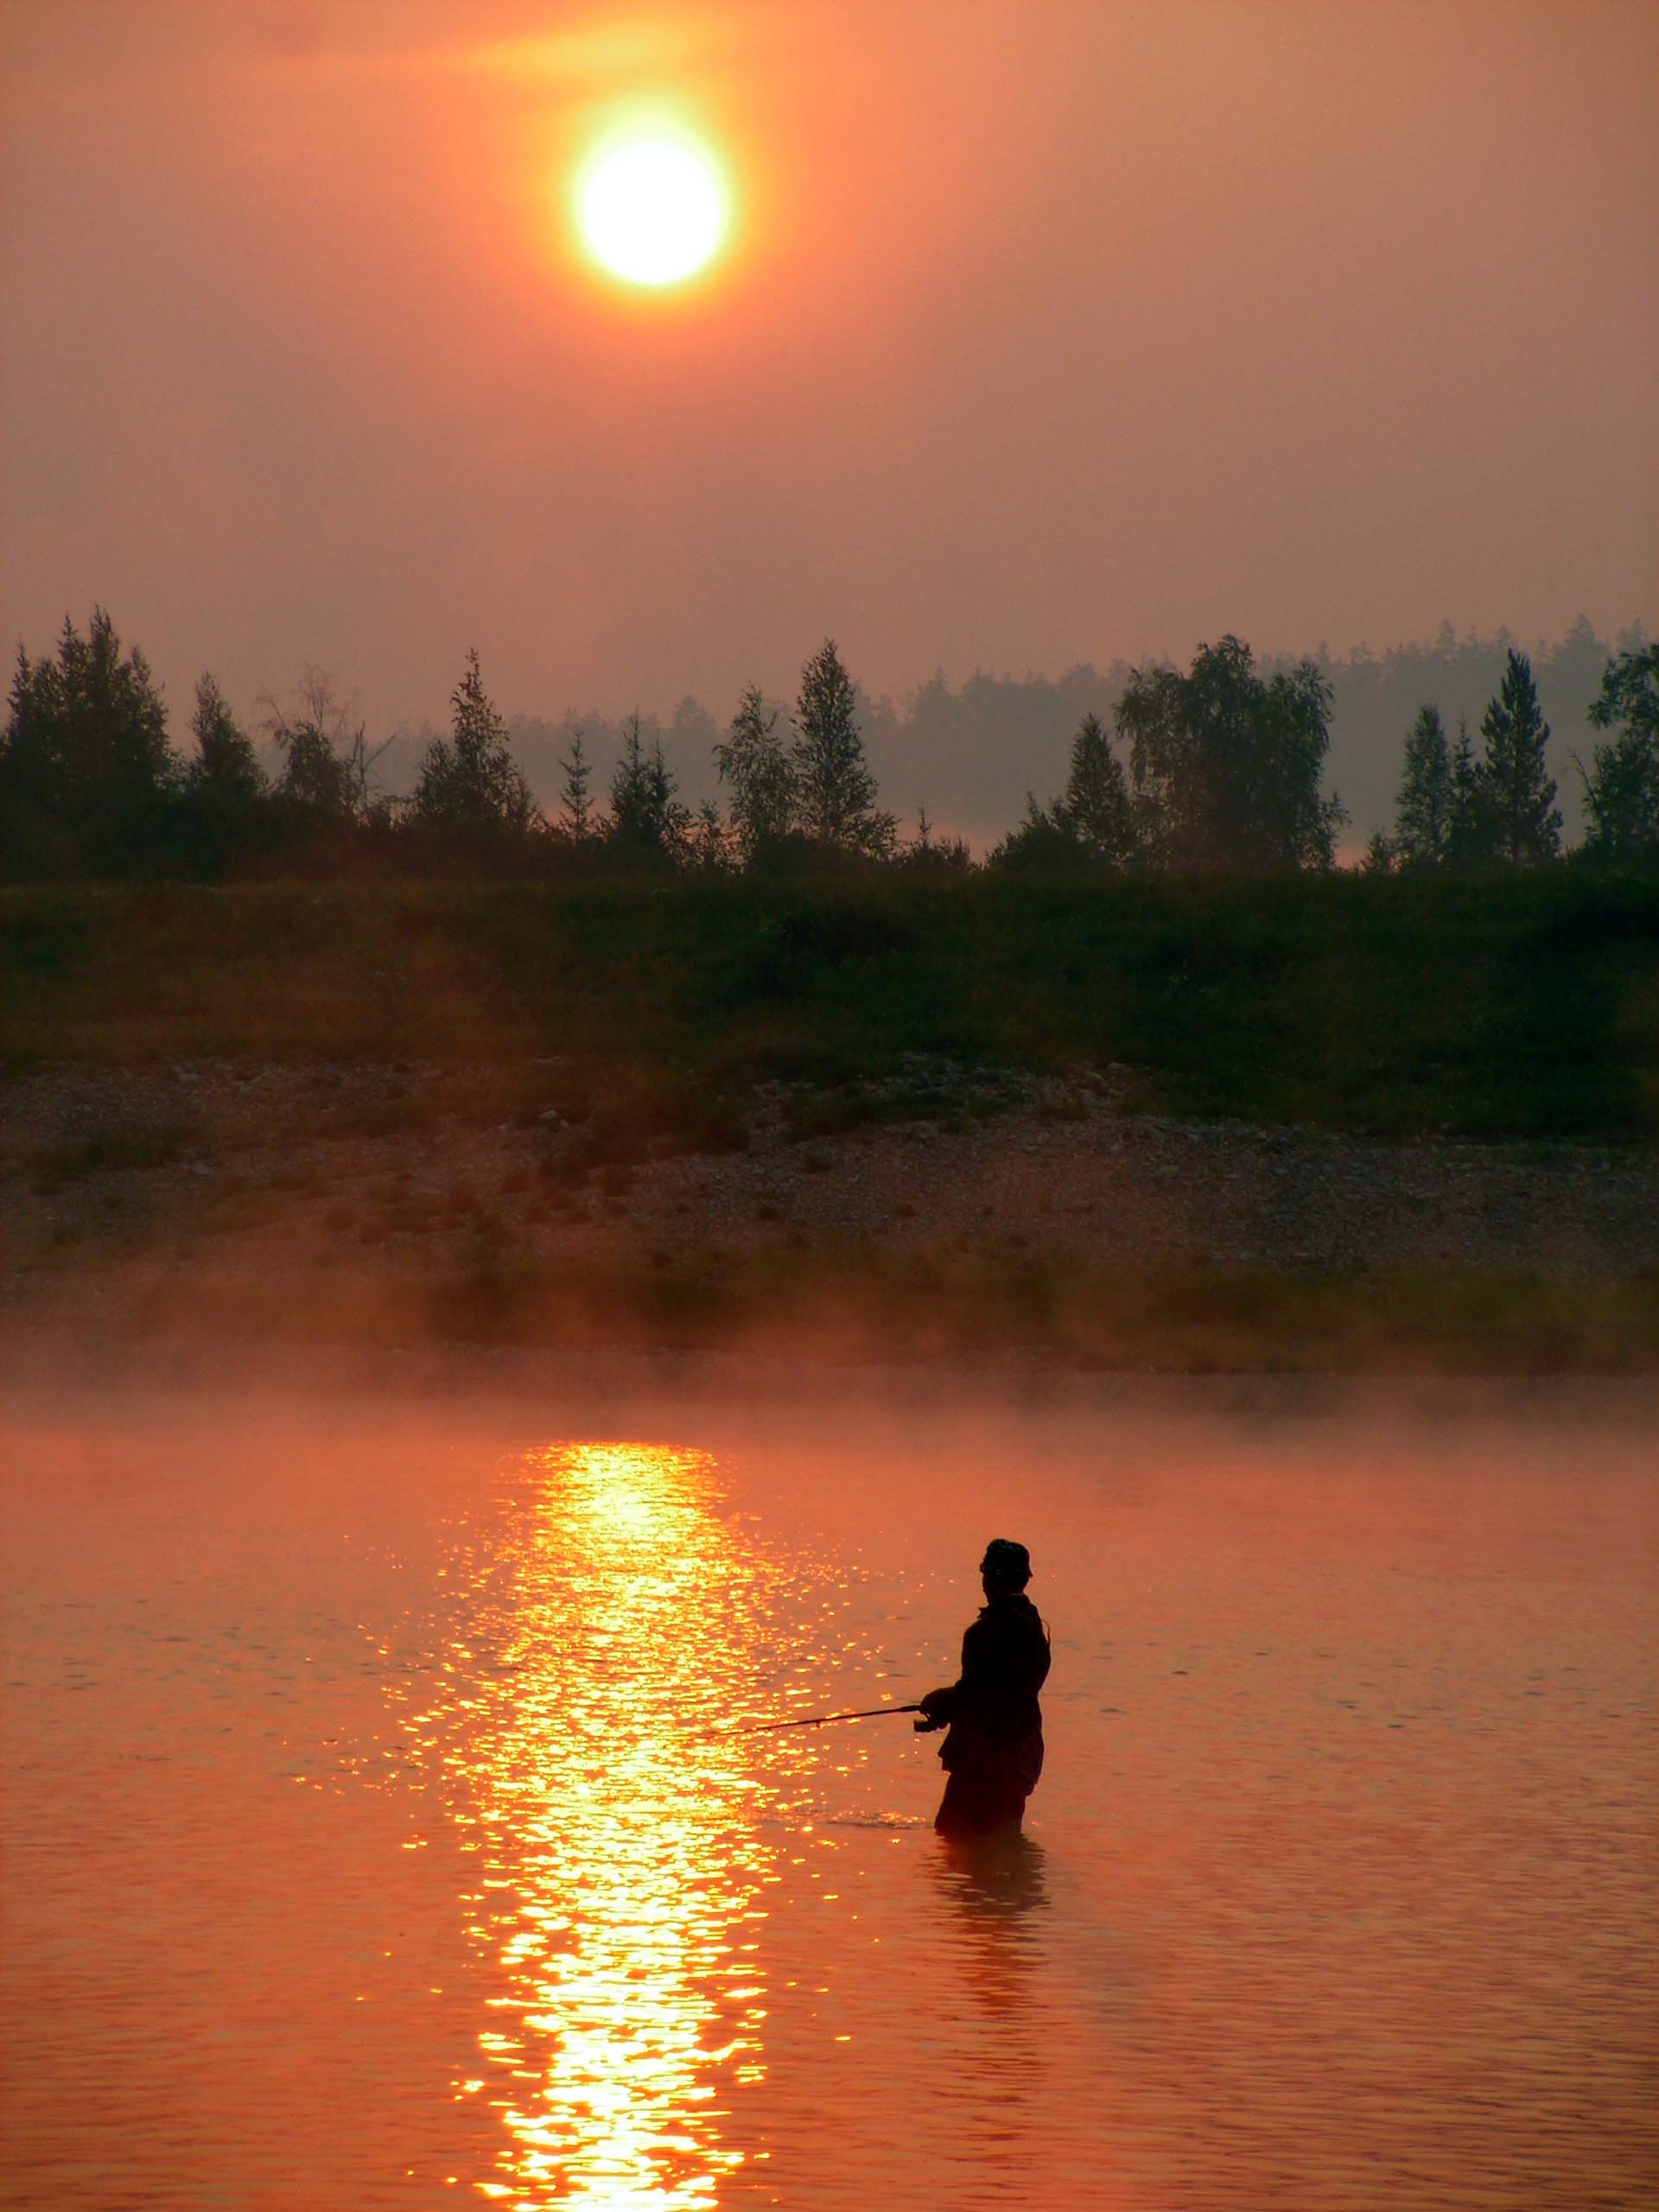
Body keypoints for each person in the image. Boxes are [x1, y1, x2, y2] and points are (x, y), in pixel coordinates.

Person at [916, 1538, 1051, 1836]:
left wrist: (940, 1701)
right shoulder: (1034, 1627)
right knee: (1002, 1844)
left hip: (986, 1764)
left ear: (989, 1580)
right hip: (1022, 1758)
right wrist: (948, 1709)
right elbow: (1001, 1694)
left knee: (954, 1840)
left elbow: (977, 1696)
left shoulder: (982, 1633)